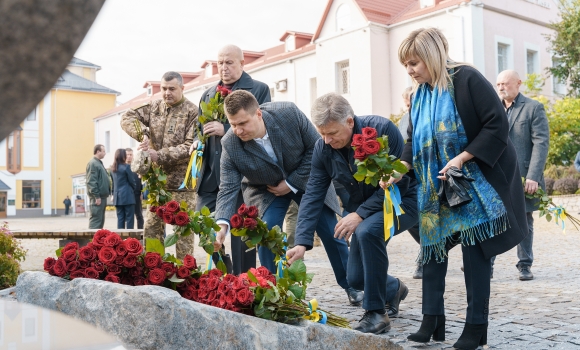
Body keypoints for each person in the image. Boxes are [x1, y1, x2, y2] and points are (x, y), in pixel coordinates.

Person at [396, 28, 528, 349]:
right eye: (406, 66)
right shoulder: (418, 95)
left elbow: (496, 124)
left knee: (474, 253)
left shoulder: (467, 78)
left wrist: (462, 158)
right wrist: (397, 170)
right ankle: (432, 321)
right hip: (435, 187)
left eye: (414, 63)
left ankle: (475, 326)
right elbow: (413, 141)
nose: (410, 70)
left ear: (431, 56)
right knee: (432, 252)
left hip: (476, 183)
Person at [286, 92, 418, 334]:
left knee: (368, 231)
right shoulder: (322, 148)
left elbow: (401, 181)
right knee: (355, 278)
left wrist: (360, 214)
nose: (326, 140)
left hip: (402, 200)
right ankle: (394, 289)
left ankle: (377, 314)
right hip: (362, 209)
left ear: (349, 122)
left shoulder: (381, 130)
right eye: (322, 133)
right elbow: (313, 193)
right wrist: (301, 242)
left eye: (332, 133)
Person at [212, 90, 358, 305]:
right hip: (266, 190)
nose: (237, 130)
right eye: (233, 124)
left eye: (242, 123)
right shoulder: (230, 143)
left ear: (259, 114)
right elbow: (227, 188)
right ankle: (273, 291)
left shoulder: (288, 113)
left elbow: (316, 150)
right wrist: (221, 226)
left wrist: (290, 183)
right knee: (265, 232)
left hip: (307, 180)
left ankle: (352, 285)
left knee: (330, 230)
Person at [192, 44, 271, 274]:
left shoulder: (258, 89)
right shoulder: (208, 94)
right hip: (209, 176)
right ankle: (223, 267)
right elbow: (199, 129)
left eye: (229, 62)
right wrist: (196, 143)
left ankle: (244, 282)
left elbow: (262, 126)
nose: (223, 68)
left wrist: (225, 127)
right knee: (202, 225)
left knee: (241, 233)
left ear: (242, 63)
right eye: (220, 63)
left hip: (243, 174)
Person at [121, 71, 198, 259]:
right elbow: (127, 117)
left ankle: (184, 277)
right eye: (163, 88)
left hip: (183, 187)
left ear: (182, 88)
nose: (167, 93)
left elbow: (190, 146)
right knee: (152, 231)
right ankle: (154, 275)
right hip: (157, 185)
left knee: (183, 236)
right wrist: (143, 135)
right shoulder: (154, 107)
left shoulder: (193, 112)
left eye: (172, 89)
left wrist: (159, 155)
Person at [494, 70, 549, 281]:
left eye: (505, 84)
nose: (501, 88)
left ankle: (525, 265)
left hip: (525, 176)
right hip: (498, 175)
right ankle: (487, 265)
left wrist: (534, 176)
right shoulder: (493, 109)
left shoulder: (533, 108)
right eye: (498, 84)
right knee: (494, 218)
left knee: (524, 220)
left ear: (518, 83)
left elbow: (541, 143)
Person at [86, 144, 111, 229]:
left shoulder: (98, 163)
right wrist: (96, 196)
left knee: (100, 220)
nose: (105, 153)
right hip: (97, 198)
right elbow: (91, 181)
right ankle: (92, 240)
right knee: (96, 220)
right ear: (98, 151)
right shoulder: (93, 163)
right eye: (103, 151)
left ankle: (97, 241)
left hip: (101, 197)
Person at [111, 148, 136, 229]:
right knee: (129, 219)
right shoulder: (126, 167)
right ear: (123, 156)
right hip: (128, 196)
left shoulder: (113, 168)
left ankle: (120, 238)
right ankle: (129, 239)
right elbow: (132, 181)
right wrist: (133, 189)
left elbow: (113, 183)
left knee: (120, 219)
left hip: (117, 197)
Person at [126, 148, 144, 229]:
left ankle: (140, 234)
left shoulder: (137, 166)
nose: (129, 156)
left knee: (139, 215)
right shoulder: (123, 167)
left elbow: (141, 180)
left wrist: (141, 192)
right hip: (127, 195)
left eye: (131, 154)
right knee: (129, 217)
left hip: (137, 194)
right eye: (127, 154)